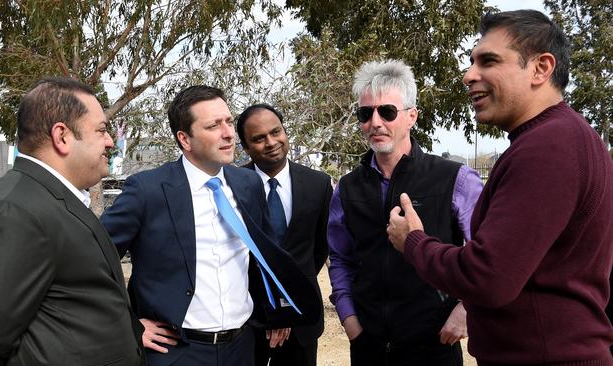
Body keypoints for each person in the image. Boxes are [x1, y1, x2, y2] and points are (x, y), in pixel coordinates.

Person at [387, 10, 613, 364]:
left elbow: (487, 277)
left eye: (488, 61)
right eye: (471, 62)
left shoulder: (550, 146)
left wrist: (413, 241)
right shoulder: (557, 138)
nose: (469, 76)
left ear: (541, 68)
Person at [100, 85, 320, 366]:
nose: (229, 133)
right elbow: (93, 262)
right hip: (177, 353)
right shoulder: (148, 190)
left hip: (242, 349)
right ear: (185, 139)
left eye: (228, 121)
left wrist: (277, 310)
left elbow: (263, 256)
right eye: (214, 126)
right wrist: (129, 324)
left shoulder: (248, 184)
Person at [0, 77, 144, 365]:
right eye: (101, 130)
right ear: (62, 136)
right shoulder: (17, 211)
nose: (110, 141)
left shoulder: (51, 197)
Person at [328, 59, 483, 365]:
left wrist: (467, 309)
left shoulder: (455, 179)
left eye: (386, 111)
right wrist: (350, 321)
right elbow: (340, 259)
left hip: (434, 345)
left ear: (412, 116)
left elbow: (488, 253)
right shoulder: (347, 188)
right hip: (368, 346)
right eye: (365, 113)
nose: (375, 122)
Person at [237, 104, 332, 366]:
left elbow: (317, 252)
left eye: (275, 132)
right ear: (245, 147)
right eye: (258, 138)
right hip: (248, 321)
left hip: (302, 322)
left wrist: (286, 308)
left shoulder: (319, 184)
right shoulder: (231, 185)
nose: (270, 142)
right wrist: (270, 314)